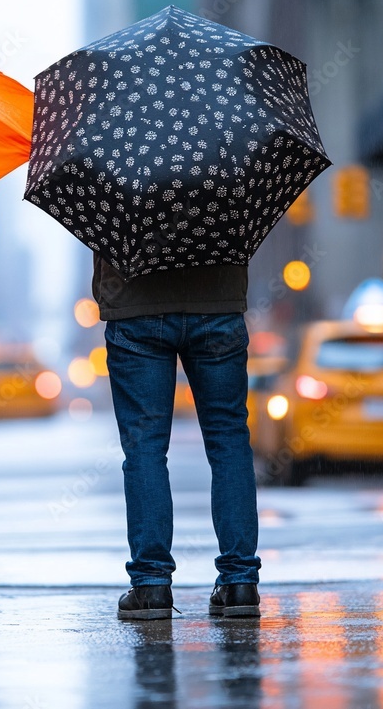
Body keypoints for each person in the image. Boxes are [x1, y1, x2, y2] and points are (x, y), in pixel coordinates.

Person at [92, 256, 262, 620]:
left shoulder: (118, 195)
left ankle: (151, 585)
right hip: (217, 300)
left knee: (145, 448)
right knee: (229, 439)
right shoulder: (222, 193)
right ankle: (239, 582)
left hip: (136, 303)